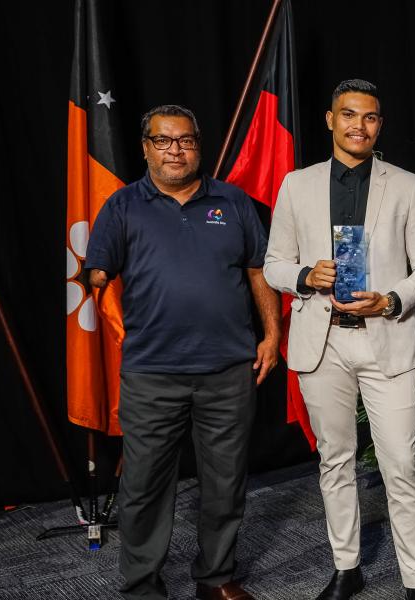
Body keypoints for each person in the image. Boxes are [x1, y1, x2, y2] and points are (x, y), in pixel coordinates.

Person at [85, 104, 280, 600]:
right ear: (146, 147)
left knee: (225, 483)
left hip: (229, 371)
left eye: (186, 140)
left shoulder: (233, 202)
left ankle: (215, 578)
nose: (176, 149)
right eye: (164, 140)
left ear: (199, 145)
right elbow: (98, 274)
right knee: (146, 486)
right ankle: (143, 583)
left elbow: (258, 272)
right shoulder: (123, 206)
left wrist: (273, 336)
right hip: (152, 374)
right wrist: (112, 313)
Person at [262, 79, 415, 600]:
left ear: (379, 125)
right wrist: (304, 276)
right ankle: (347, 567)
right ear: (330, 119)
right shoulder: (297, 184)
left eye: (369, 117)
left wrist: (389, 299)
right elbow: (274, 264)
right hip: (323, 344)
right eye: (349, 114)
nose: (358, 125)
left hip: (386, 337)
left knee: (401, 465)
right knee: (334, 460)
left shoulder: (406, 185)